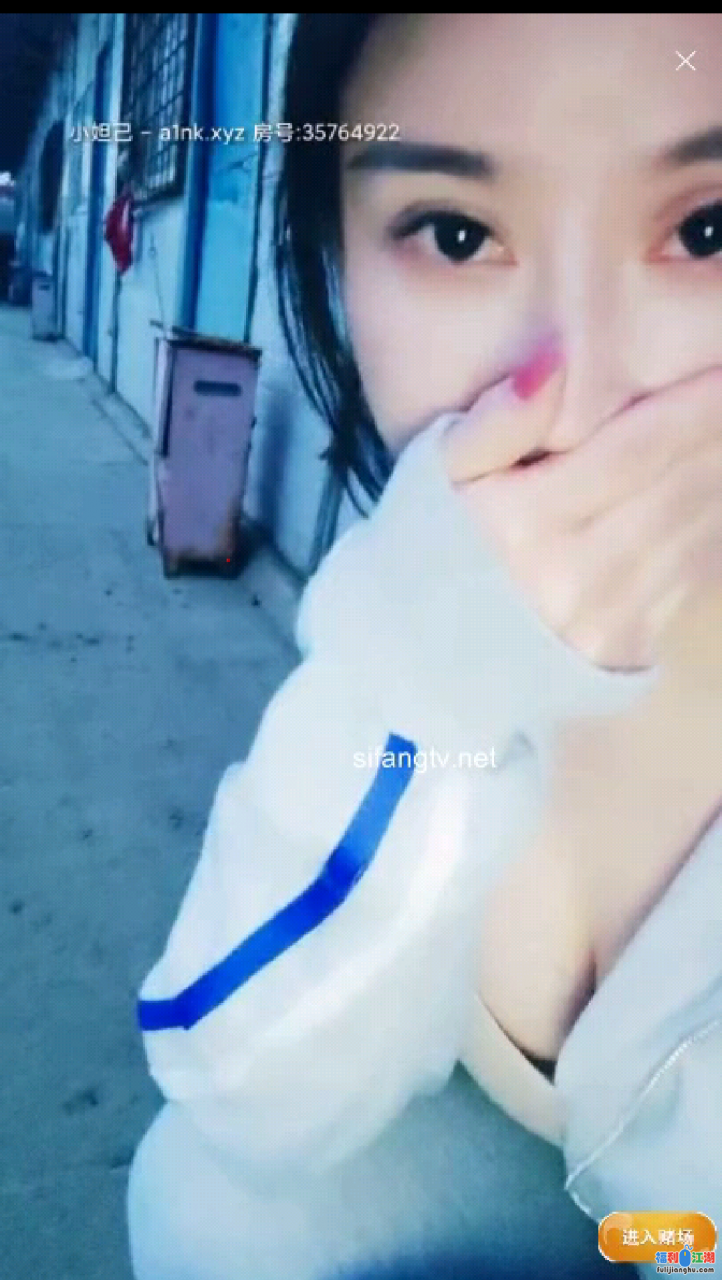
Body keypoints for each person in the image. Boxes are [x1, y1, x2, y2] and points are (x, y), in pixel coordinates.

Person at [127, 14, 722, 1280]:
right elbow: (241, 1089)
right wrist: (427, 683)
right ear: (335, 261)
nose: (577, 388)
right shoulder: (417, 582)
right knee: (205, 1208)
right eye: (454, 235)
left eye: (708, 231)